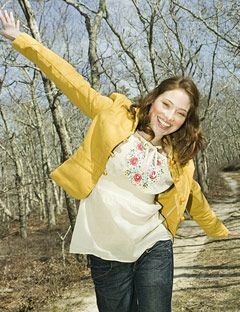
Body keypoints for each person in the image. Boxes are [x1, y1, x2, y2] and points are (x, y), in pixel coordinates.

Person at [0, 9, 238, 312]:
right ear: (153, 100)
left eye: (181, 113)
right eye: (167, 105)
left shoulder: (178, 155)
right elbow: (70, 80)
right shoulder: (114, 115)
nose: (170, 117)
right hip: (105, 243)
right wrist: (22, 40)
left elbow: (193, 195)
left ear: (187, 119)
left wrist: (218, 229)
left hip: (154, 242)